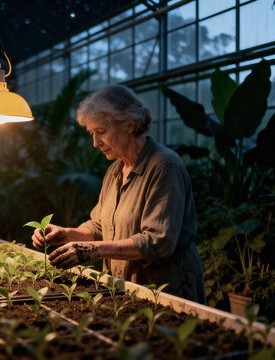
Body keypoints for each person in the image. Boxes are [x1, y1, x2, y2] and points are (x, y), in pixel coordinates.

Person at [31, 84, 206, 304]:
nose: (95, 143)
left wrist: (89, 250)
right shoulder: (115, 170)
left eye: (101, 132)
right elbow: (100, 227)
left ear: (129, 125)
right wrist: (66, 234)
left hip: (166, 294)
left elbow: (157, 242)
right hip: (126, 289)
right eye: (92, 134)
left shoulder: (164, 166)